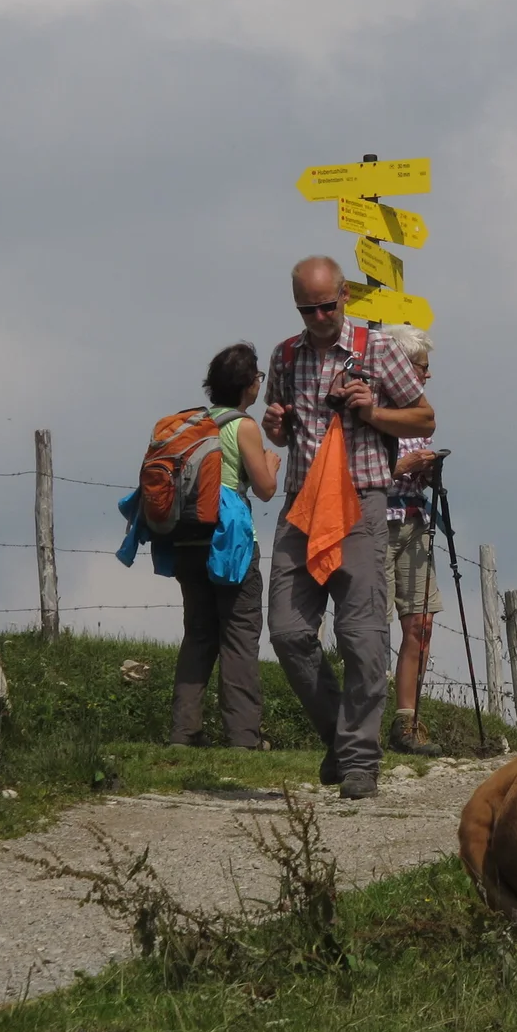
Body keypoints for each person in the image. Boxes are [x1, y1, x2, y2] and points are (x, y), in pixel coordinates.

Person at [262, 256, 434, 799]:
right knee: (288, 631)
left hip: (361, 503)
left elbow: (425, 418)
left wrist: (373, 412)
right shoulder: (285, 355)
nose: (318, 316)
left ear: (345, 297)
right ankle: (341, 739)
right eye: (307, 308)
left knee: (362, 639)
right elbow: (283, 430)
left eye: (326, 306)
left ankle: (359, 760)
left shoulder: (378, 350)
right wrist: (277, 425)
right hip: (301, 507)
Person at [168, 343, 279, 748]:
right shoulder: (242, 426)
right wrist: (270, 465)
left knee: (198, 632)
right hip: (229, 540)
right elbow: (265, 490)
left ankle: (184, 732)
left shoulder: (192, 422)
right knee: (239, 633)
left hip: (186, 537)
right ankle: (243, 736)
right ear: (249, 385)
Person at [382, 324, 444, 758]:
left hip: (414, 519)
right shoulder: (372, 410)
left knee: (420, 623)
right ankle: (360, 722)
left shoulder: (417, 413)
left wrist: (426, 471)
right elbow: (354, 475)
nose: (426, 376)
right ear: (402, 367)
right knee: (370, 626)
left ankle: (407, 721)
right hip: (377, 525)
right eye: (422, 367)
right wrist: (405, 465)